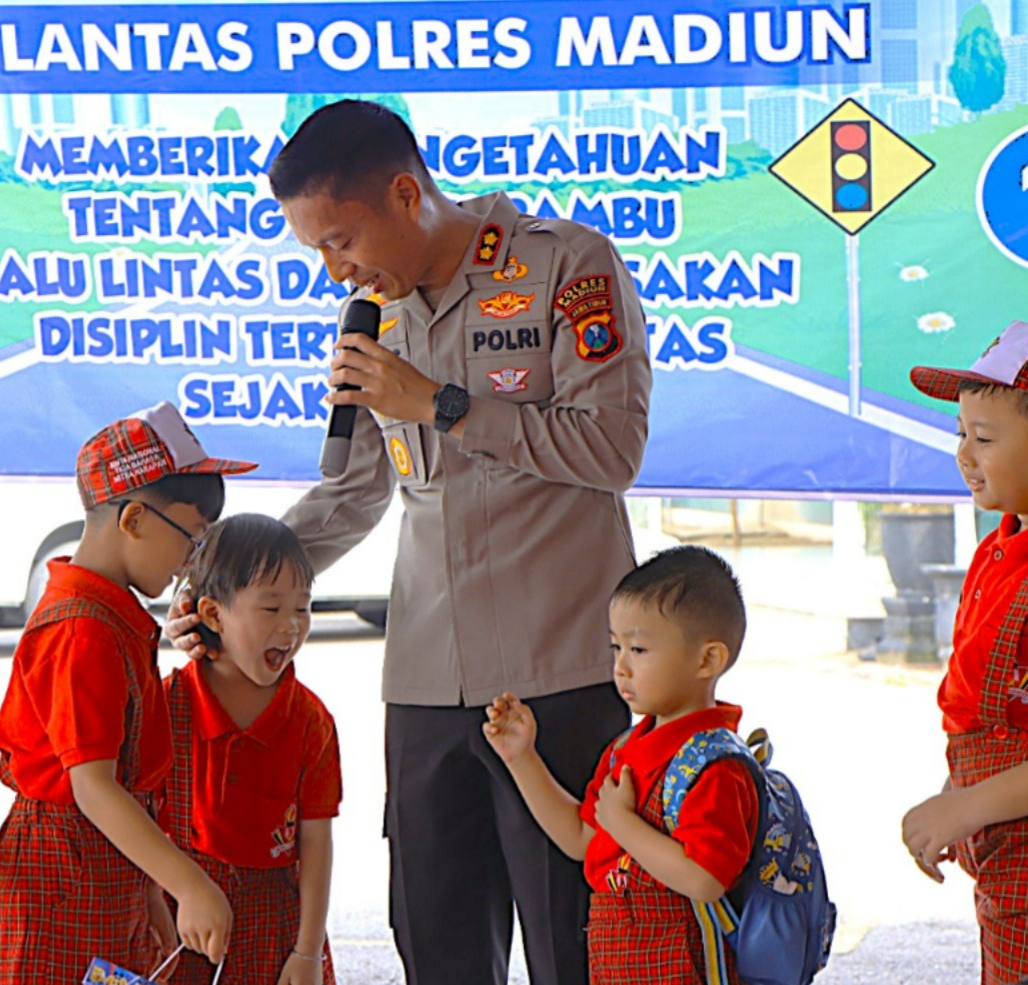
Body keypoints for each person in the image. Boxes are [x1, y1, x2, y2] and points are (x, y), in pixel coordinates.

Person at [171, 98, 650, 984]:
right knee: (433, 938)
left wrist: (442, 404)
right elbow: (355, 492)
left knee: (573, 936)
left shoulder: (561, 266)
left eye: (340, 242)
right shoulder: (374, 313)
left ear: (404, 193)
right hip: (426, 680)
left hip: (560, 671)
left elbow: (611, 449)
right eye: (315, 251)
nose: (332, 271)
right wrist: (223, 584)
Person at [0, 402, 250, 983]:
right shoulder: (83, 629)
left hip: (97, 867)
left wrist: (151, 896)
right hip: (56, 882)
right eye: (192, 539)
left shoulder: (111, 614)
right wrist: (189, 885)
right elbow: (94, 788)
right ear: (133, 520)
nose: (191, 562)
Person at [900, 321, 1028, 985]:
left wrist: (966, 805)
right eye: (960, 432)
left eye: (983, 438)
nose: (963, 452)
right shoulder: (998, 549)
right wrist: (960, 794)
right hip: (1010, 845)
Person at [484, 546, 758, 984]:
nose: (621, 667)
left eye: (639, 649)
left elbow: (705, 878)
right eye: (616, 647)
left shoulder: (715, 767)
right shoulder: (627, 748)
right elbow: (580, 838)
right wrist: (522, 758)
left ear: (708, 659)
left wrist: (622, 822)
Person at [163, 514, 341, 985]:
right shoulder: (165, 706)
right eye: (271, 609)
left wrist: (306, 953)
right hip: (179, 920)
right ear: (214, 613)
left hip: (275, 932)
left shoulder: (310, 721)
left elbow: (316, 843)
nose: (291, 628)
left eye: (302, 608)